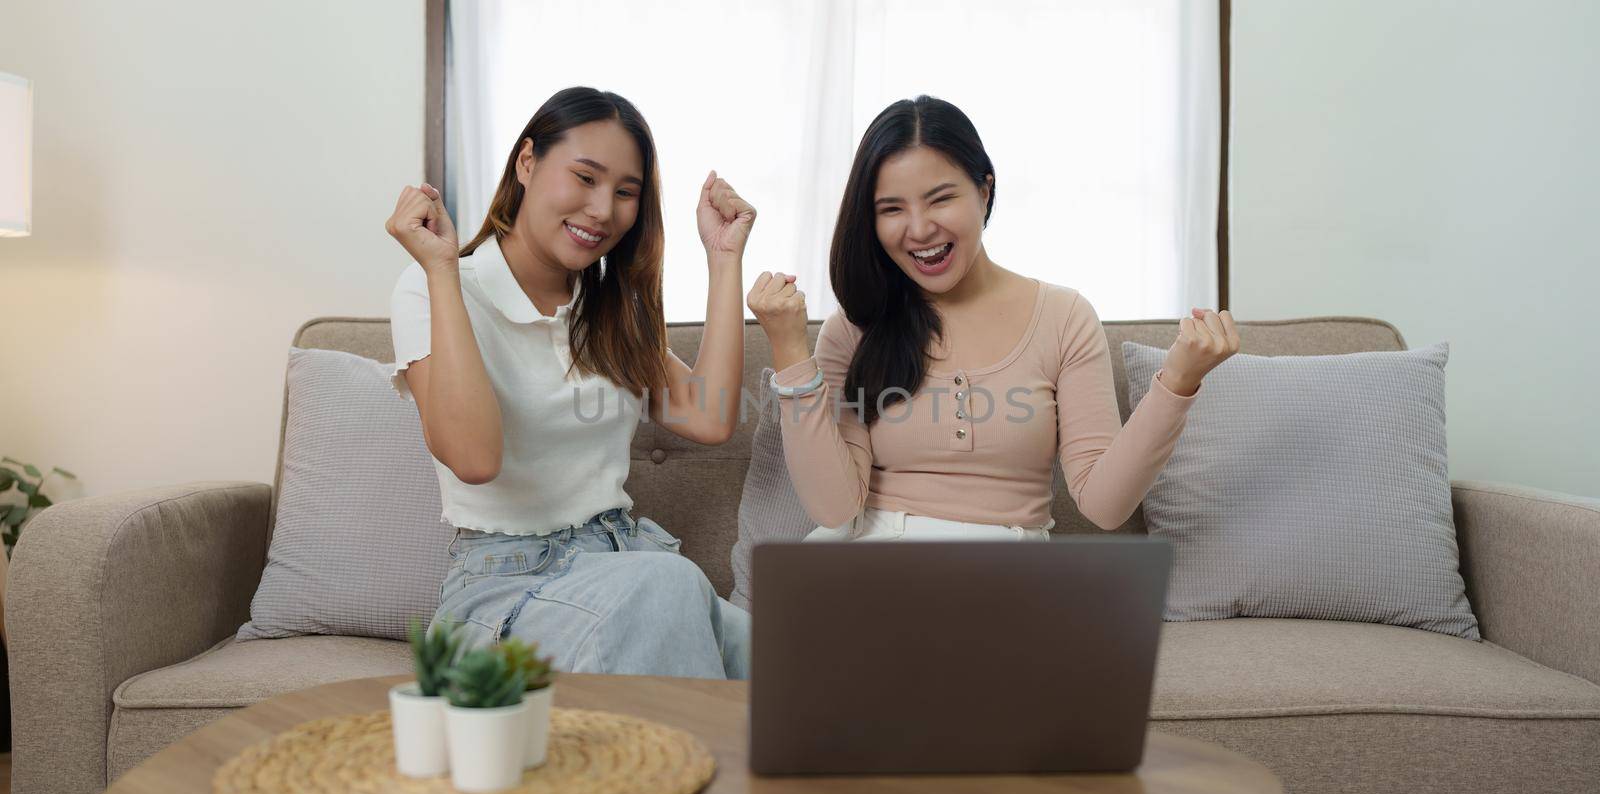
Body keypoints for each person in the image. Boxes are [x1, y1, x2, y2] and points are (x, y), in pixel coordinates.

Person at [746, 95, 1240, 543]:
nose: (919, 229)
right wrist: (791, 352)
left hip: (1004, 577)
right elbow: (834, 507)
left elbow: (1105, 506)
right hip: (871, 562)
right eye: (892, 209)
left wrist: (1179, 381)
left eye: (940, 198)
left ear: (985, 192)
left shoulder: (1063, 318)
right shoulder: (856, 328)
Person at [386, 87, 752, 677]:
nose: (603, 210)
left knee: (796, 656)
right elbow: (473, 458)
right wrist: (440, 271)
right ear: (526, 162)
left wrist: (724, 258)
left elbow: (708, 417)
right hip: (504, 593)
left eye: (625, 192)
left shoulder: (607, 307)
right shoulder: (437, 286)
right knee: (669, 585)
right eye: (585, 177)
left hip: (622, 563)